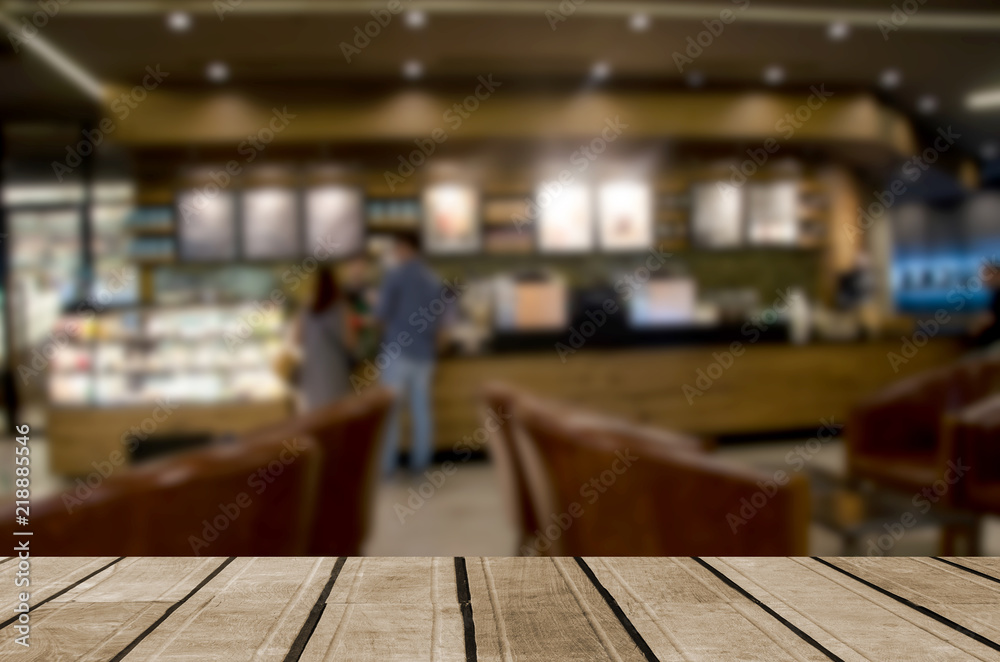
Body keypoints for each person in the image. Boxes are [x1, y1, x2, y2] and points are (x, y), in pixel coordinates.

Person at [375, 231, 447, 477]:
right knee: (421, 409)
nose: (394, 254)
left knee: (391, 412)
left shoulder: (395, 275)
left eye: (396, 249)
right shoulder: (433, 279)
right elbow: (442, 321)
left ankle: (388, 466)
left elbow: (380, 314)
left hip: (398, 350)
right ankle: (420, 463)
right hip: (425, 354)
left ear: (406, 248)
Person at [296, 266, 356, 413]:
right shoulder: (342, 307)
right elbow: (350, 342)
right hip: (335, 371)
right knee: (336, 416)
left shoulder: (307, 307)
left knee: (315, 417)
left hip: (312, 374)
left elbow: (297, 338)